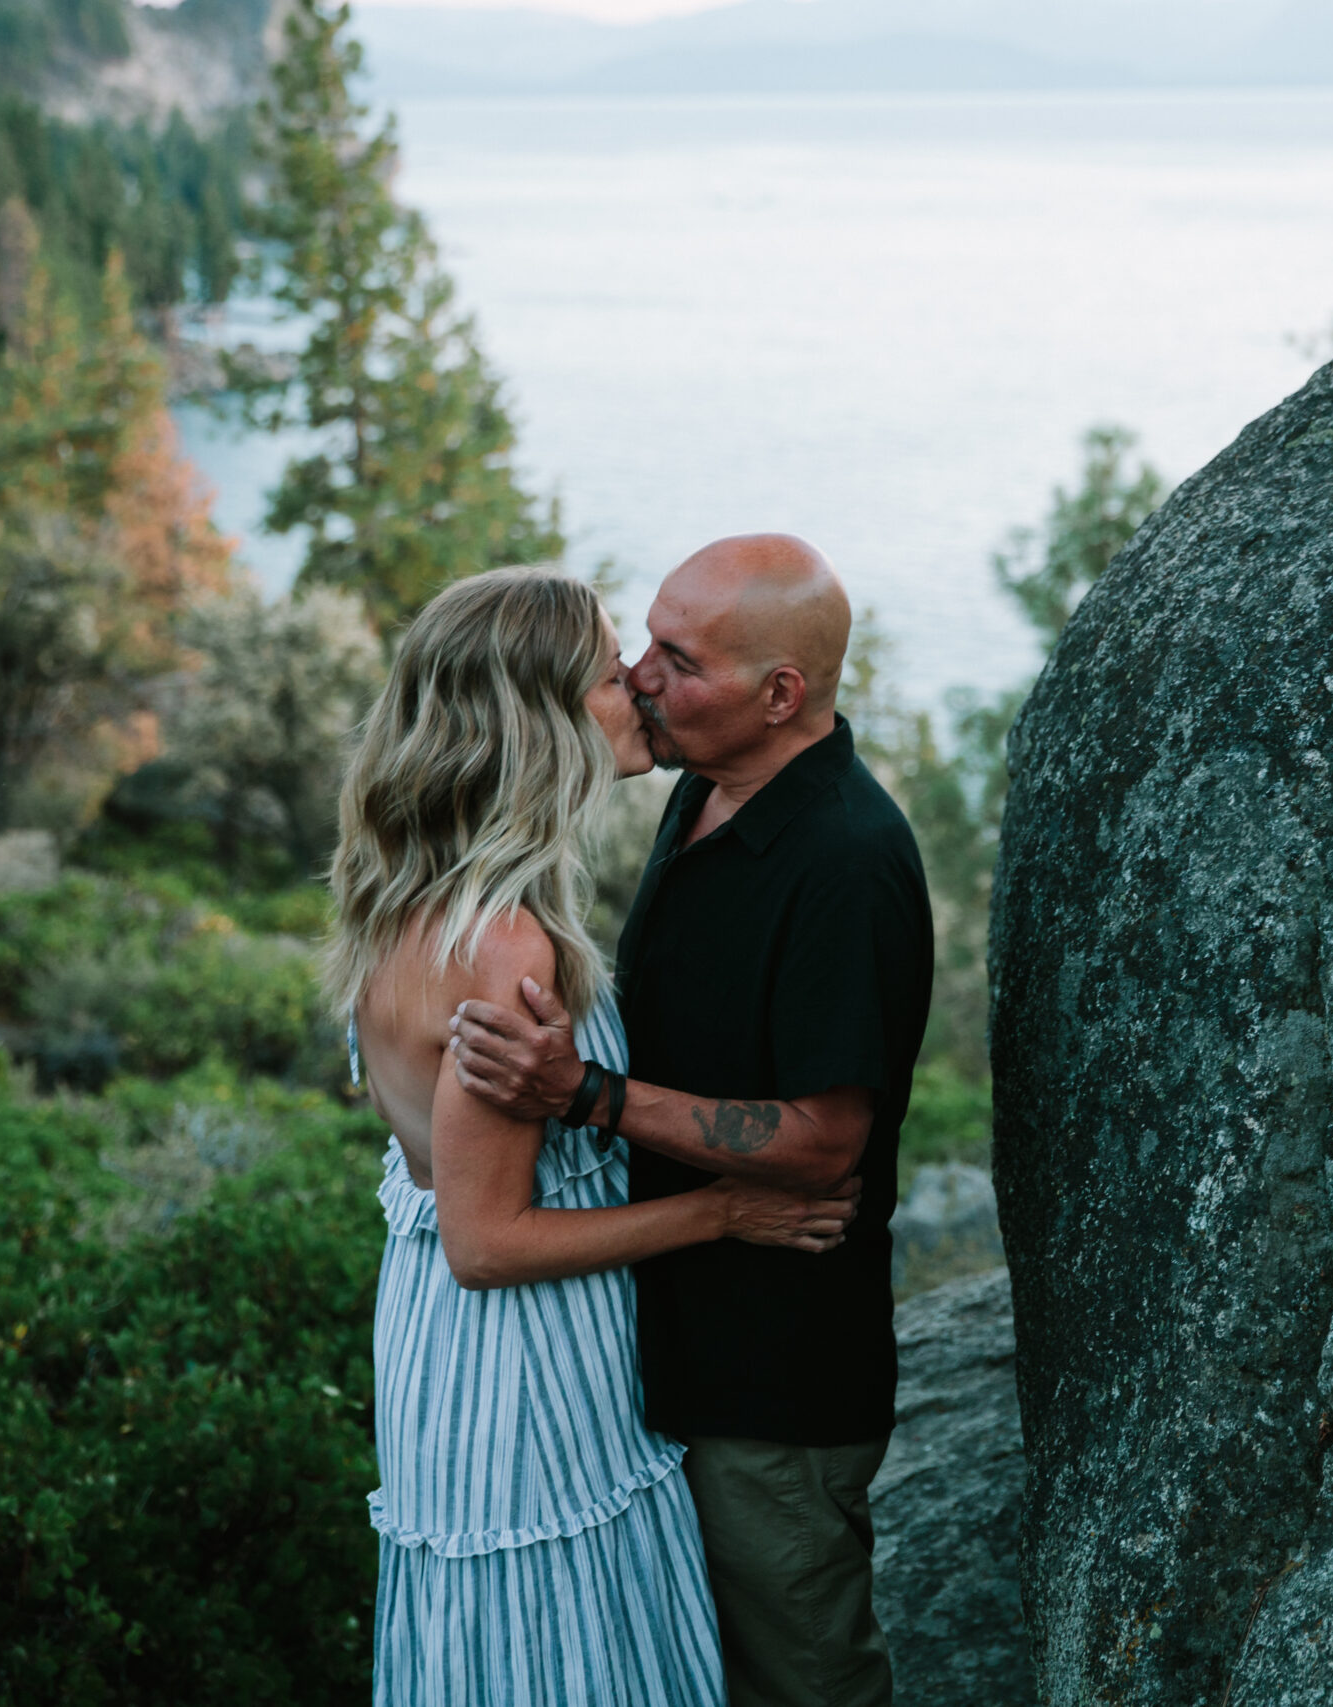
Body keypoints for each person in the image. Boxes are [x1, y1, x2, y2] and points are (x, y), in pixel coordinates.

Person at [327, 566, 862, 1707]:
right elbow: (487, 1242)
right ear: (543, 721)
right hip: (521, 1357)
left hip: (438, 1340)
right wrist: (724, 1210)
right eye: (607, 673)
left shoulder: (411, 895)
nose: (636, 687)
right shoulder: (505, 948)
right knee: (567, 1652)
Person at [450, 534, 933, 1707]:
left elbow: (824, 1146)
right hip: (666, 1344)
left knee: (799, 1679)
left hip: (772, 1376)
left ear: (782, 696)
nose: (636, 677)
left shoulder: (845, 860)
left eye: (677, 658)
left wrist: (583, 1094)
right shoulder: (708, 786)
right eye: (645, 639)